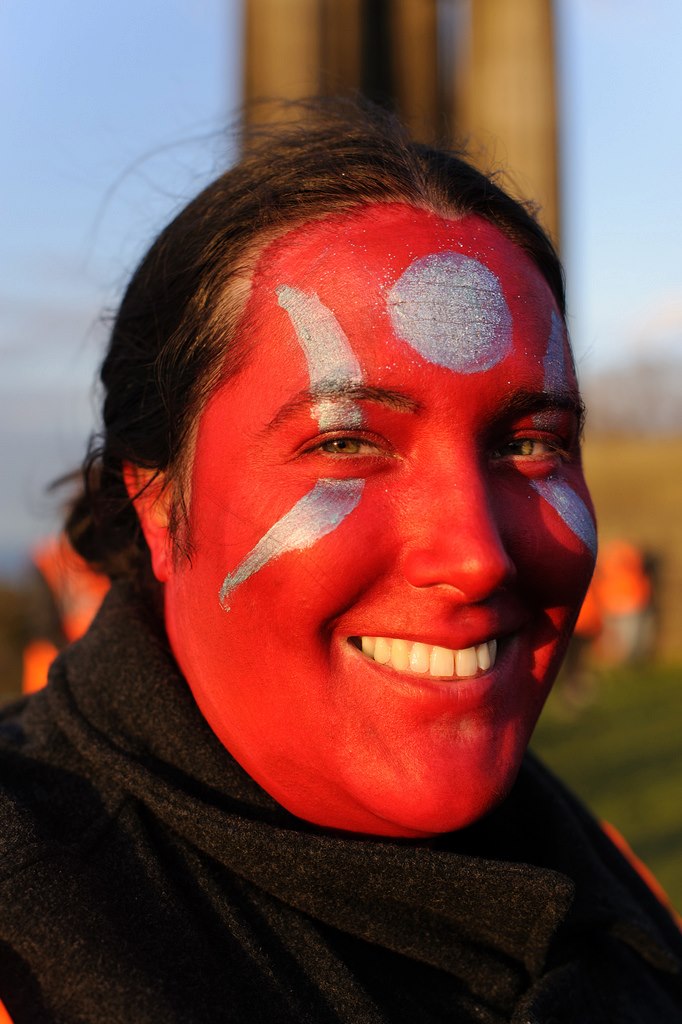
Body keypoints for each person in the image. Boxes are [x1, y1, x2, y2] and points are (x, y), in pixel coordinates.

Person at [1, 101, 680, 1023]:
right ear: (161, 503)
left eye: (531, 443)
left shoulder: (605, 872)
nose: (477, 557)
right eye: (347, 443)